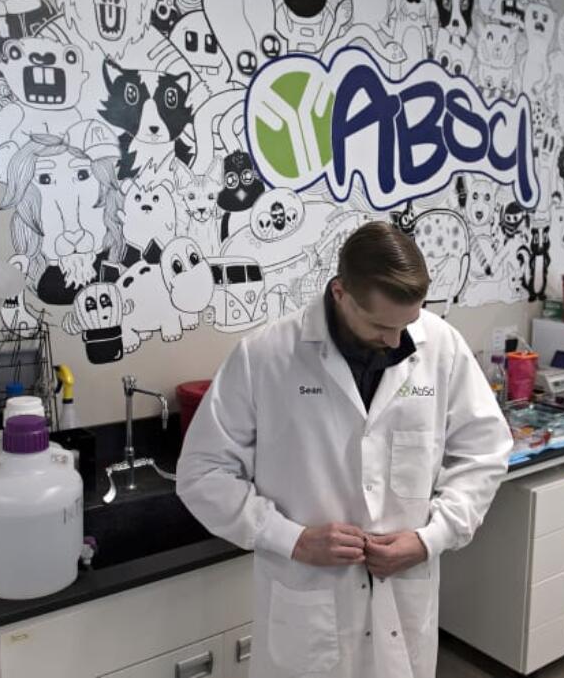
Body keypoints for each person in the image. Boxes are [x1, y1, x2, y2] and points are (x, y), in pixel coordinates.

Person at [177, 221, 513, 678]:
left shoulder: (441, 347)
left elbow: (486, 451)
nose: (397, 342)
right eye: (380, 325)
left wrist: (430, 538)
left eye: (408, 324)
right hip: (307, 607)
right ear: (340, 293)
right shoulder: (267, 356)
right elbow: (202, 473)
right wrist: (291, 538)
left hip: (403, 602)